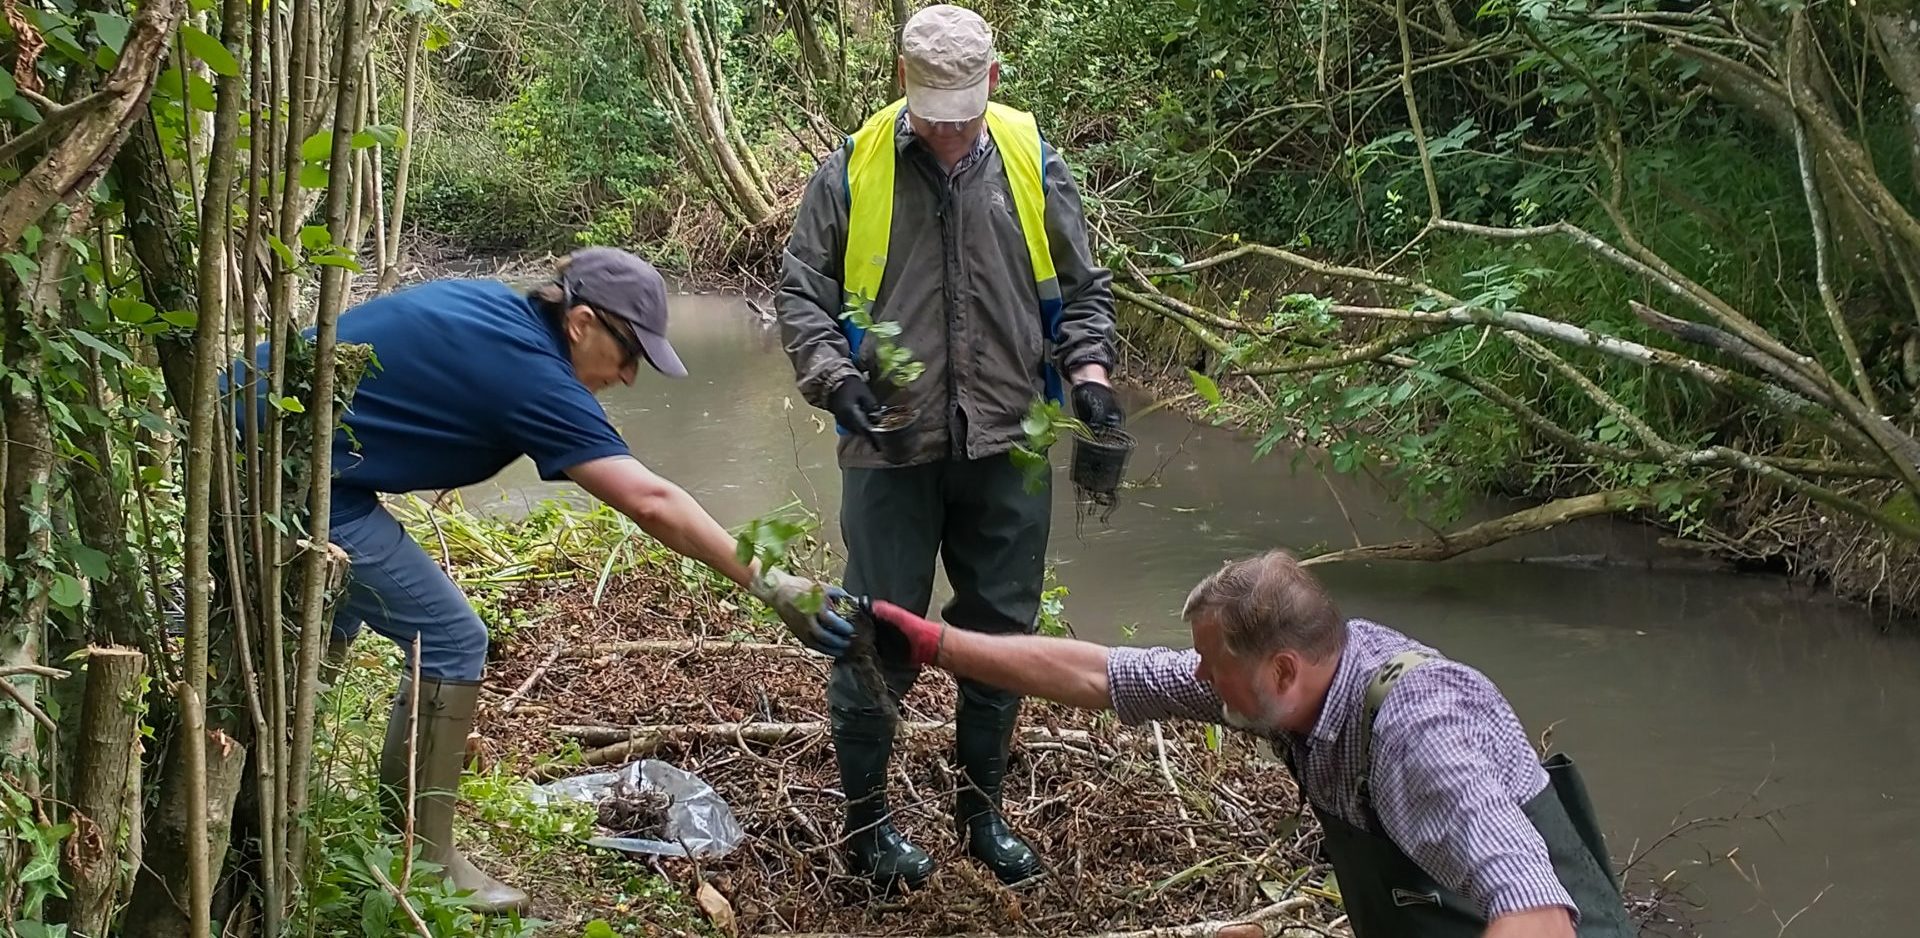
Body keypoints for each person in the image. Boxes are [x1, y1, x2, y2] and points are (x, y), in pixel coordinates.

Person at [243, 248, 853, 913]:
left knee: (325, 614)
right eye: (627, 356)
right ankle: (424, 862)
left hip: (276, 454)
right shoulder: (532, 374)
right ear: (581, 321)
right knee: (450, 639)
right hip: (279, 472)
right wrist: (774, 584)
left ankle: (269, 810)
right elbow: (651, 502)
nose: (626, 377)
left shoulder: (500, 315)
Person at [775, 3, 1121, 889]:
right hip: (887, 446)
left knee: (1000, 634)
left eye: (964, 113)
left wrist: (1092, 384)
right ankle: (868, 830)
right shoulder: (850, 173)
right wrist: (834, 377)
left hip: (1008, 445)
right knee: (875, 636)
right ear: (903, 83)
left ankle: (982, 818)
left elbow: (1086, 294)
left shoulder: (1033, 163)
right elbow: (801, 293)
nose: (950, 132)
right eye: (934, 114)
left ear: (994, 84)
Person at [862, 550, 1636, 938]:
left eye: (1210, 666)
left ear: (1282, 667)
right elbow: (1102, 674)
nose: (1198, 679)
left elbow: (1536, 912)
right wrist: (933, 643)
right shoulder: (1290, 683)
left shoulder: (1418, 732)